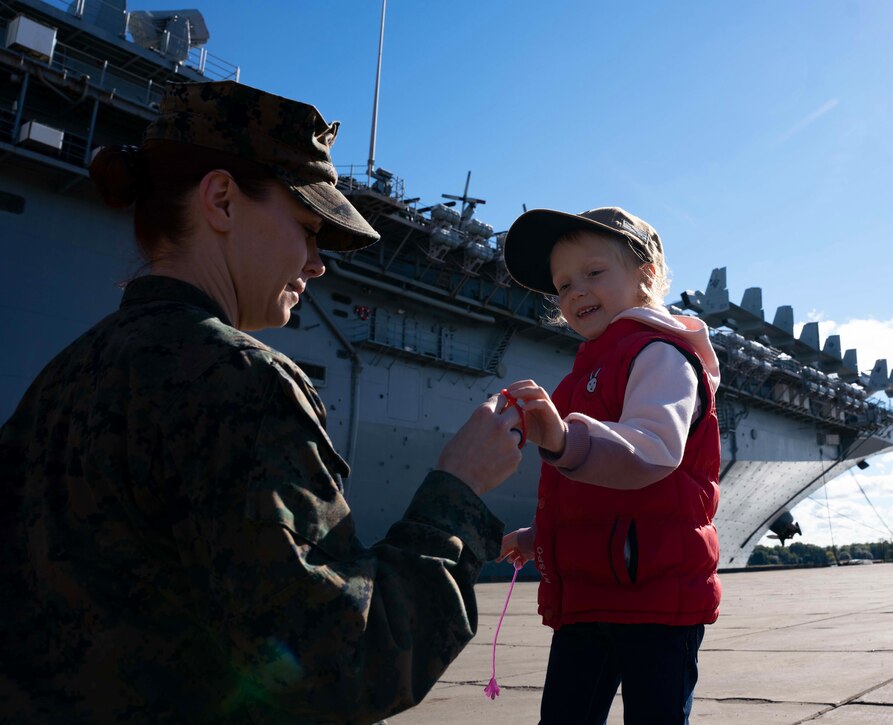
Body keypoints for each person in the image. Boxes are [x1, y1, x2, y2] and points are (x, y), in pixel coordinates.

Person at [0, 80, 524, 723]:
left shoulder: (61, 377)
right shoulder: (243, 379)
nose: (317, 263)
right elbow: (347, 663)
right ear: (221, 199)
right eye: (307, 228)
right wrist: (459, 493)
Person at [498, 207, 722, 724]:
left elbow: (654, 450)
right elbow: (594, 495)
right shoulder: (587, 369)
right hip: (589, 596)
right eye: (562, 285)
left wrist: (563, 439)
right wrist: (543, 534)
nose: (575, 292)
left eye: (593, 273)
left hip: (658, 598)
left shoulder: (659, 355)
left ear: (646, 276)